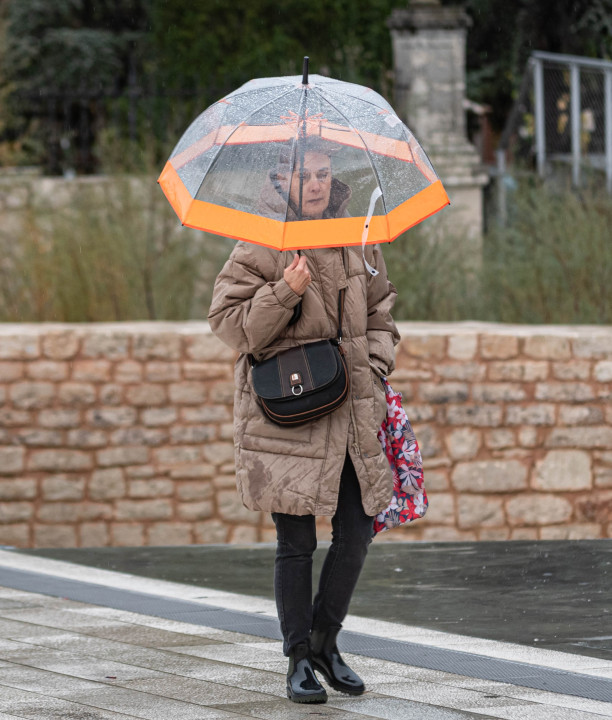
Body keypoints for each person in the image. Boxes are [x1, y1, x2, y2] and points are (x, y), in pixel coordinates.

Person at [208, 141, 399, 704]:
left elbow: (382, 309)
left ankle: (324, 640)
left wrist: (378, 371)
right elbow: (230, 326)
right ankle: (297, 659)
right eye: (303, 176)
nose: (314, 184)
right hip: (287, 416)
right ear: (281, 179)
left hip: (350, 411)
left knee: (357, 531)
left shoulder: (355, 236)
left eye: (322, 174)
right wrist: (283, 291)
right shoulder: (261, 240)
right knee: (295, 541)